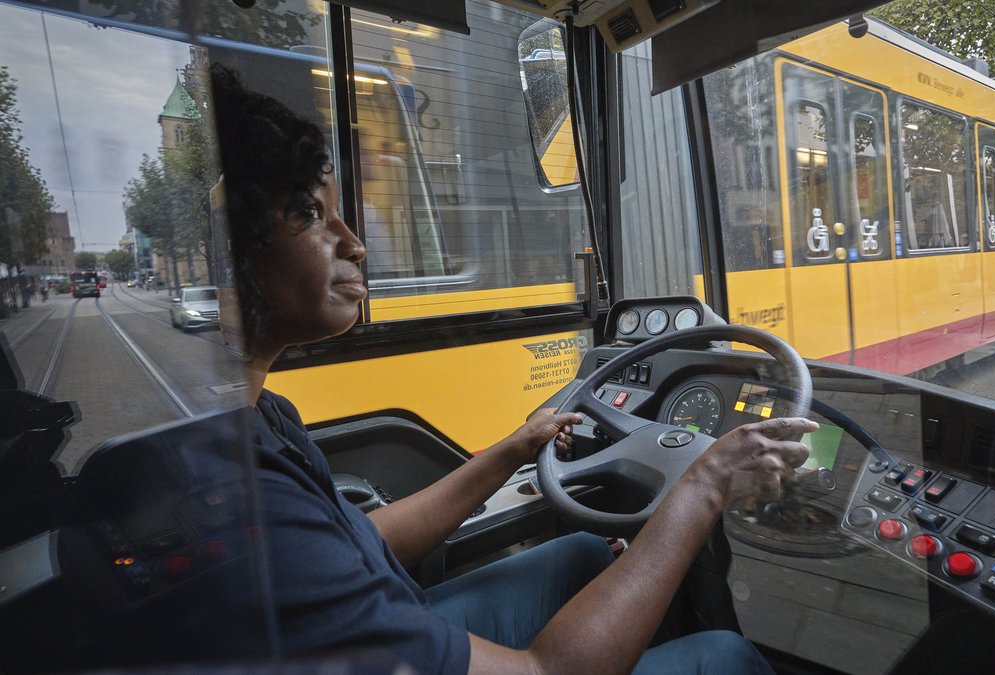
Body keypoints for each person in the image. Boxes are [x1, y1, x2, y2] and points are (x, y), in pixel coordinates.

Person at [210, 65, 812, 674]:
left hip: (372, 632)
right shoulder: (254, 489)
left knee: (582, 552)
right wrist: (704, 485)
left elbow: (367, 543)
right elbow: (546, 671)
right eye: (310, 215)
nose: (355, 244)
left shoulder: (262, 419)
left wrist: (515, 448)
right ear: (229, 251)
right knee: (724, 655)